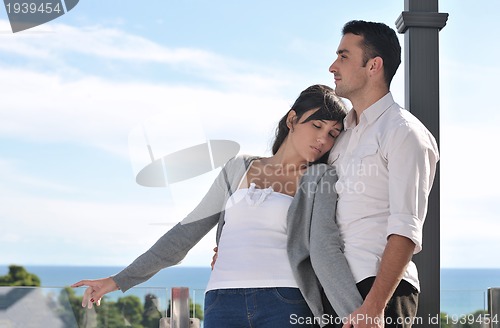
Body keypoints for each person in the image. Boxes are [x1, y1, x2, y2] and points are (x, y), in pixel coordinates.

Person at [71, 84, 364, 328]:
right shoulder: (238, 167)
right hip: (221, 301)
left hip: (285, 302)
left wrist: (358, 315)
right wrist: (118, 280)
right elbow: (185, 233)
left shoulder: (320, 177)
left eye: (332, 134)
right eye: (316, 125)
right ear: (292, 120)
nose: (322, 139)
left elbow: (326, 248)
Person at [327, 20, 440, 328]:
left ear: (374, 65)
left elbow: (406, 227)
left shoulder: (405, 133)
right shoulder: (341, 137)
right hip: (334, 289)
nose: (332, 66)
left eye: (343, 56)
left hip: (378, 293)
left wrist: (374, 307)